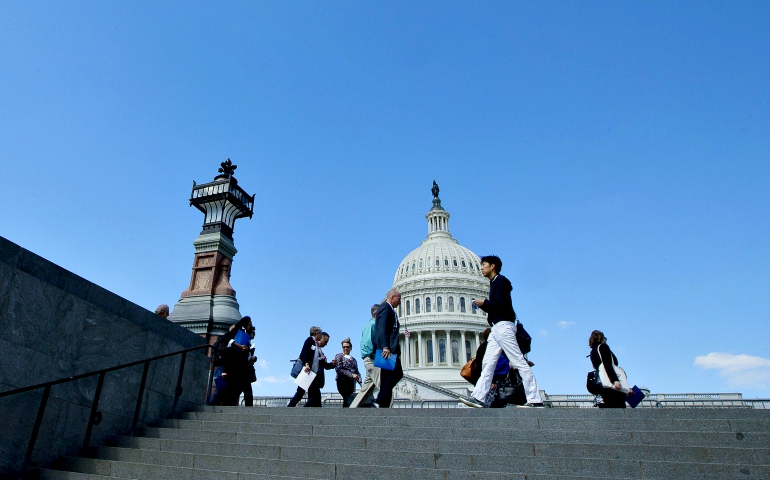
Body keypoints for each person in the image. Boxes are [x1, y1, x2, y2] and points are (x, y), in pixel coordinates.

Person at [460, 256, 545, 408]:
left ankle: (535, 399)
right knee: (488, 363)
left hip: (503, 326)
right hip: (496, 328)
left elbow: (501, 305)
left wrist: (484, 303)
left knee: (519, 361)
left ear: (492, 266)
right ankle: (479, 397)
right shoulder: (494, 283)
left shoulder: (501, 282)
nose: (481, 268)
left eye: (484, 265)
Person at [212, 316, 253, 406]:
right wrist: (240, 346)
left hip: (239, 367)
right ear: (245, 324)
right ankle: (213, 404)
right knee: (225, 390)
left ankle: (248, 408)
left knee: (243, 390)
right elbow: (228, 342)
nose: (251, 326)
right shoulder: (238, 332)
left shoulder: (245, 334)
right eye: (250, 324)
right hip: (232, 366)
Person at [372, 289, 402, 408]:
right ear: (392, 297)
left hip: (389, 348)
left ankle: (383, 404)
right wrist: (385, 347)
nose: (400, 302)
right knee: (397, 374)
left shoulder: (391, 310)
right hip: (387, 349)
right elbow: (381, 328)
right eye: (399, 299)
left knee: (387, 377)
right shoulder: (385, 308)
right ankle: (381, 398)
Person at [350, 304, 382, 408]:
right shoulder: (372, 324)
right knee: (385, 386)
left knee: (366, 389)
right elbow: (368, 343)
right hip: (373, 359)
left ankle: (352, 409)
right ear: (376, 313)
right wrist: (374, 355)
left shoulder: (374, 324)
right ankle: (390, 413)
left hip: (375, 358)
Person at [589, 330, 631, 408]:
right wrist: (615, 380)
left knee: (608, 404)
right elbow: (607, 364)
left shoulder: (592, 351)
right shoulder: (603, 347)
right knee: (618, 406)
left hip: (601, 383)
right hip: (610, 383)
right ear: (601, 338)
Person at [333, 338, 362, 407]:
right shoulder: (339, 356)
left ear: (351, 348)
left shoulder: (353, 359)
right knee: (346, 397)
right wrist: (351, 375)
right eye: (344, 347)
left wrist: (359, 378)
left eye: (347, 347)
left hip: (351, 382)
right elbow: (339, 369)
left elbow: (356, 371)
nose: (345, 348)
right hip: (342, 381)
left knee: (349, 399)